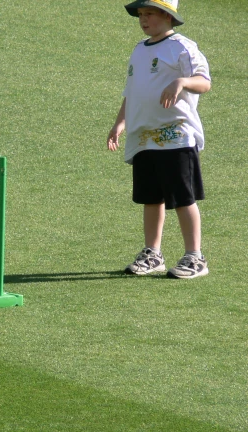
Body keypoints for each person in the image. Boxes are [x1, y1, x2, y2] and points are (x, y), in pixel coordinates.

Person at [107, 0, 211, 279]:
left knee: (183, 198)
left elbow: (204, 81)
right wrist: (120, 122)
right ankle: (153, 254)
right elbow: (132, 92)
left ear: (167, 16)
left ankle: (195, 257)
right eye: (140, 14)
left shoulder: (182, 47)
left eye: (149, 13)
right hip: (143, 138)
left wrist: (182, 82)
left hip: (176, 135)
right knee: (151, 198)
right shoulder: (139, 49)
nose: (143, 19)